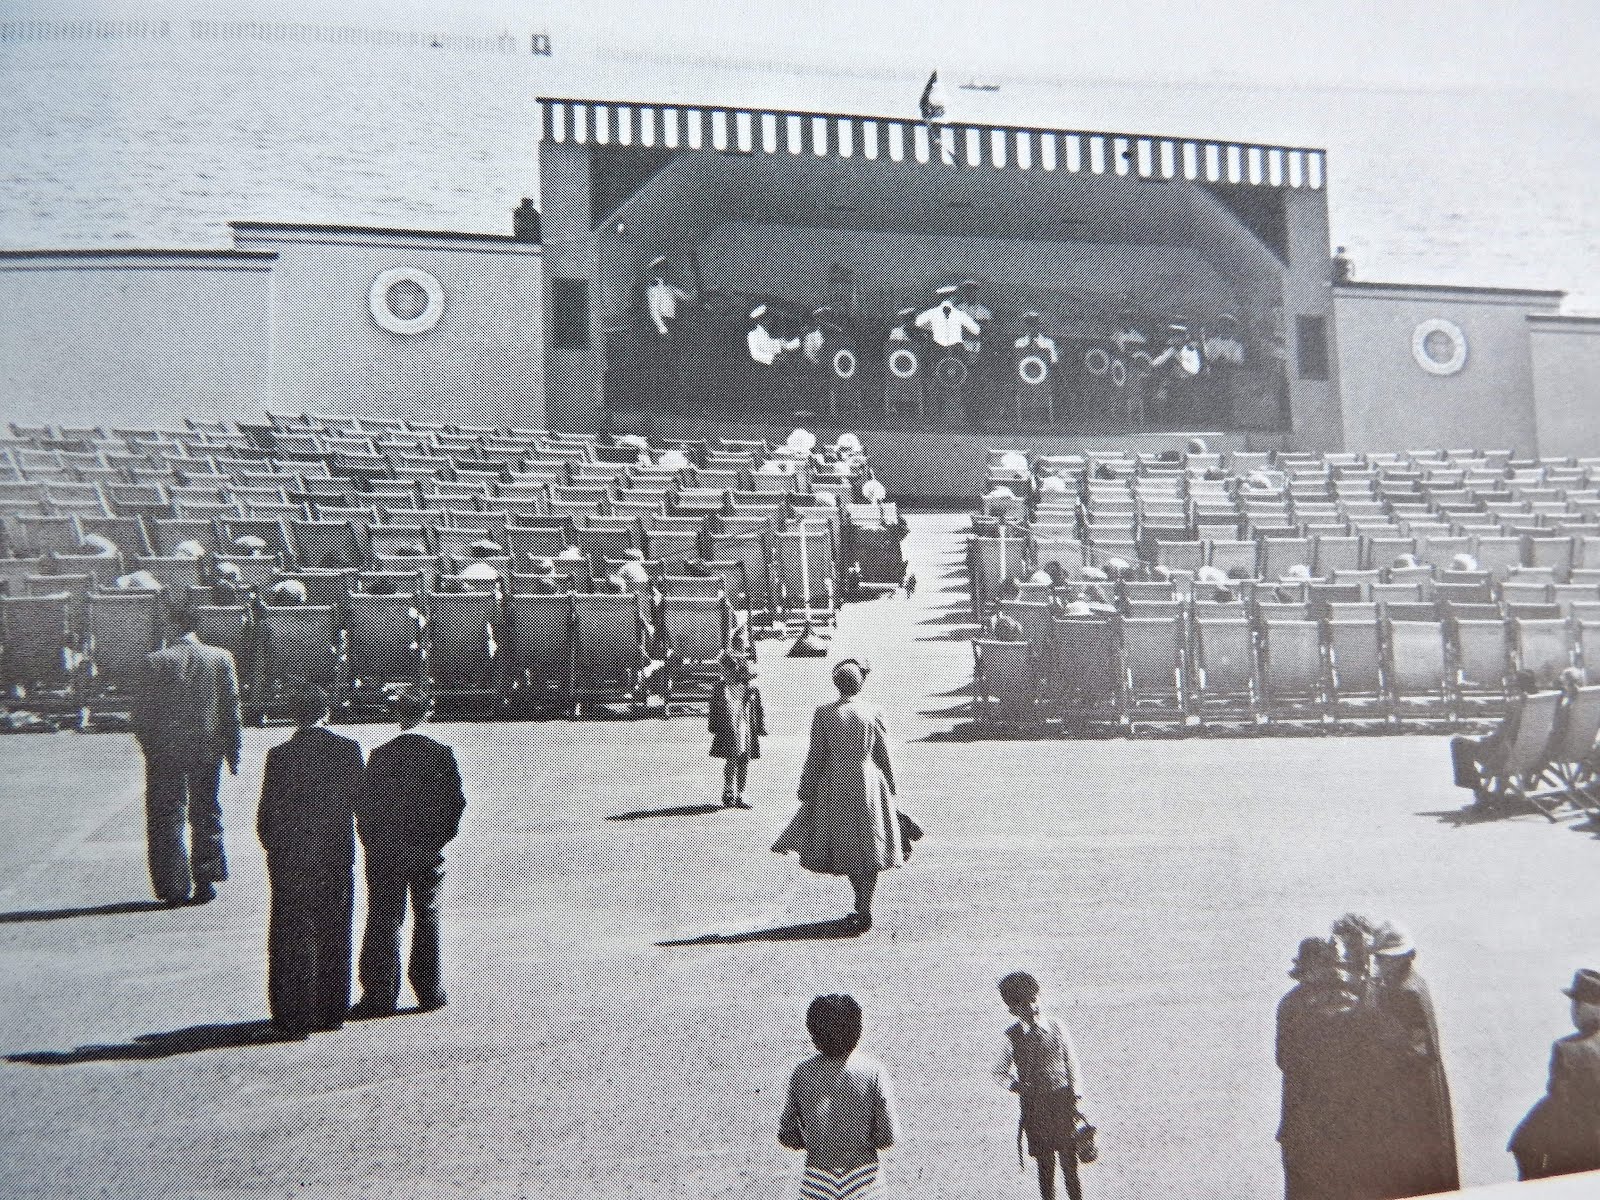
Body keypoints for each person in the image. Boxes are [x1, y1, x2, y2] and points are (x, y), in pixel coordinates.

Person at [350, 688, 466, 1019]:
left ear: (396, 715)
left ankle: (380, 992)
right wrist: (439, 840)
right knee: (427, 915)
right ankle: (429, 989)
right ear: (428, 712)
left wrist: (372, 842)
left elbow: (365, 806)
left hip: (386, 849)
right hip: (426, 850)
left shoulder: (380, 755)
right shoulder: (441, 754)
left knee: (384, 916)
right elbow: (454, 803)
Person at [256, 686, 363, 1036]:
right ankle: (332, 1008)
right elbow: (361, 803)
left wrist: (274, 849)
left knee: (292, 932)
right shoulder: (347, 752)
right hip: (334, 853)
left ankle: (292, 1011)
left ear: (294, 715)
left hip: (292, 857)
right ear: (326, 713)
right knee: (335, 926)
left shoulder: (280, 756)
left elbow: (266, 815)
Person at [772, 658, 904, 932]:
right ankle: (864, 905)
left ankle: (860, 904)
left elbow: (816, 755)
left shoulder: (824, 714)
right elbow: (884, 755)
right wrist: (891, 789)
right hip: (868, 782)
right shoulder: (873, 712)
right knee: (870, 845)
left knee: (846, 845)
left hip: (835, 785)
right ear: (860, 683)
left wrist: (806, 786)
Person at [131, 604, 242, 905]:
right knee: (206, 811)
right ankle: (207, 878)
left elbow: (141, 715)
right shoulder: (220, 658)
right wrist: (234, 750)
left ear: (170, 626)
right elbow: (231, 709)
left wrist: (151, 748)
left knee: (166, 816)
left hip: (166, 751)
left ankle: (173, 885)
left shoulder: (154, 662)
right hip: (207, 749)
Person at [1276, 937, 1383, 1200]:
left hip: (1302, 1120)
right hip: (1322, 1120)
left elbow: (1283, 1059)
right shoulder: (1334, 1002)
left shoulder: (1290, 1002)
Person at [779, 994, 900, 1200]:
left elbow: (787, 1134)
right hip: (864, 1180)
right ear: (857, 1031)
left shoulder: (802, 1073)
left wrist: (814, 1140)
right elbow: (887, 1137)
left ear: (814, 1032)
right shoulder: (873, 1071)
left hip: (817, 1178)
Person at [1369, 924, 1460, 1197]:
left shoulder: (1405, 991)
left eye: (1382, 958)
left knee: (1416, 1157)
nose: (1378, 963)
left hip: (1415, 1089)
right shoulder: (1414, 982)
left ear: (1400, 960)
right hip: (1426, 1083)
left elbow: (1417, 1049)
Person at [995, 971, 1088, 1200]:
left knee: (1070, 1162)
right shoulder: (1011, 1038)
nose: (1032, 1007)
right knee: (1045, 1165)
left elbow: (1071, 1061)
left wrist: (1076, 1095)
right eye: (1024, 1004)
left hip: (1062, 1103)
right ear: (1013, 1010)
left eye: (1034, 1000)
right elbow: (998, 1072)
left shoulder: (1057, 1027)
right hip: (1034, 1108)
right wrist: (1017, 1086)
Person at [1508, 968, 1600, 1180]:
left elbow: (1559, 1102)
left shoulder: (1566, 1049)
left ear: (1579, 1007)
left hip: (1580, 1149)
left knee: (1523, 1143)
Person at [1450, 669, 1538, 796]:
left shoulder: (1517, 707)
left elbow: (1507, 735)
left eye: (1513, 686)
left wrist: (1489, 739)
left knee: (1458, 743)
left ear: (1518, 688)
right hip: (1532, 756)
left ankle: (1477, 788)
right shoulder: (1541, 704)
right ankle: (1498, 790)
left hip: (1504, 756)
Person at [708, 651, 765, 810]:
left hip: (744, 729)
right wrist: (713, 726)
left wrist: (760, 727)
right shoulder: (719, 687)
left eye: (724, 670)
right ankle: (728, 790)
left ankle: (741, 793)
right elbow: (713, 709)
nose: (722, 673)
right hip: (728, 729)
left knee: (744, 761)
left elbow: (758, 709)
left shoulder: (750, 688)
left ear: (736, 671)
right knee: (731, 760)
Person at [915, 286, 980, 351]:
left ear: (940, 298)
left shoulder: (932, 312)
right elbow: (976, 330)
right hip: (956, 351)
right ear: (952, 298)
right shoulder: (959, 314)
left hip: (938, 350)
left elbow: (918, 323)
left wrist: (932, 327)